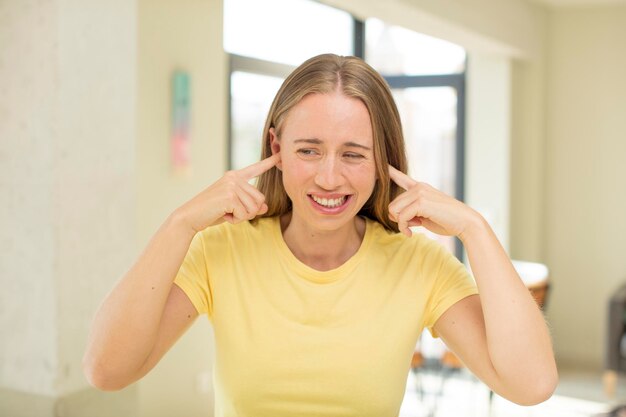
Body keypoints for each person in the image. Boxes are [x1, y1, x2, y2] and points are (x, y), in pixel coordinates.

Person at [83, 54, 558, 416]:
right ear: (277, 148)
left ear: (381, 162)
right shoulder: (221, 251)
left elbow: (531, 385)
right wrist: (180, 223)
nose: (329, 178)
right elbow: (107, 370)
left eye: (353, 154)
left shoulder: (419, 264)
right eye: (309, 150)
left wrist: (475, 229)